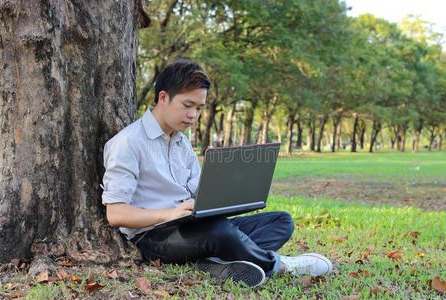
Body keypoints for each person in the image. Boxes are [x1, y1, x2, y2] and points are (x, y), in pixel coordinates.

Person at [101, 59, 332, 287]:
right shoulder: (128, 143)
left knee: (281, 221)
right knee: (220, 232)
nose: (194, 115)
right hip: (154, 236)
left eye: (199, 108)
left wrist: (225, 199)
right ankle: (280, 266)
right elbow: (116, 214)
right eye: (187, 105)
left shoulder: (181, 143)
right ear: (163, 98)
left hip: (194, 227)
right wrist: (170, 214)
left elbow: (198, 193)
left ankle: (211, 262)